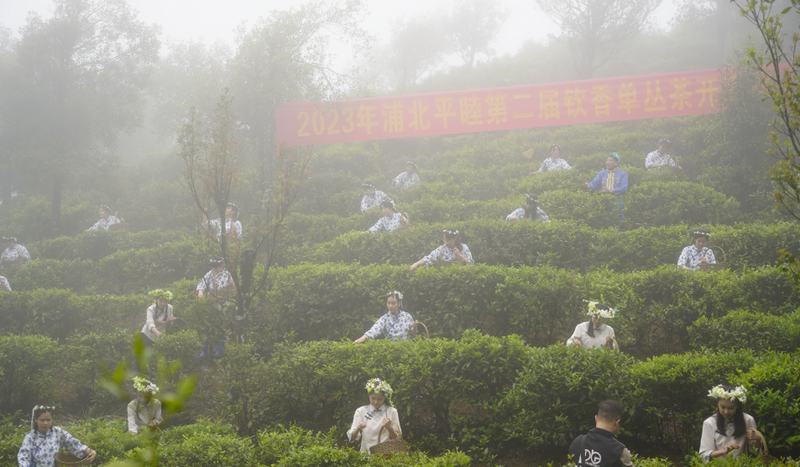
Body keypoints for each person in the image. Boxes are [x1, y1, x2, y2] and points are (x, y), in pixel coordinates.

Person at [18, 405, 96, 467]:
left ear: (52, 419)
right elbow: (23, 458)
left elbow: (73, 444)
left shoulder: (57, 432)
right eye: (42, 420)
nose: (45, 423)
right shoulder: (30, 438)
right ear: (36, 419)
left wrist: (91, 451)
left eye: (48, 420)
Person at [699, 385, 761, 461]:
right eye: (722, 407)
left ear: (737, 406)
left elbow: (755, 452)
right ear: (718, 404)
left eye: (731, 408)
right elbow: (704, 454)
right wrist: (724, 451)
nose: (726, 411)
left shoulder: (747, 420)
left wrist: (758, 439)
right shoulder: (709, 423)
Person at [568, 400, 632, 467]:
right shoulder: (619, 451)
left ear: (596, 418)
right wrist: (624, 457)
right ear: (617, 422)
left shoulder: (577, 442)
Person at [347, 378, 401, 455]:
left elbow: (398, 439)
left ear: (385, 398)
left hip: (386, 456)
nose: (376, 402)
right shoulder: (361, 411)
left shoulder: (392, 411)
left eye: (380, 399)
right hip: (366, 454)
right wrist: (358, 429)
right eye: (373, 398)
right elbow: (352, 438)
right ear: (368, 395)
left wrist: (389, 428)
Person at [196, 256, 236, 358]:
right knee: (208, 327)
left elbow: (232, 290)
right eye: (213, 267)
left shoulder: (227, 275)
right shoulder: (209, 274)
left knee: (222, 328)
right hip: (211, 305)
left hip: (223, 306)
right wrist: (200, 292)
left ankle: (219, 351)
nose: (214, 269)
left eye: (216, 267)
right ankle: (204, 351)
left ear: (221, 266)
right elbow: (201, 285)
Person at [353, 291, 419, 343]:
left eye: (393, 303)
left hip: (406, 351)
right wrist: (358, 341)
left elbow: (413, 335)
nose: (390, 306)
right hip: (390, 351)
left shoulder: (407, 316)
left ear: (399, 303)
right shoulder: (385, 318)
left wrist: (415, 327)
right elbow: (373, 331)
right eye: (388, 303)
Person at [585, 153, 628, 220]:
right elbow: (595, 183)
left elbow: (624, 188)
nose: (608, 162)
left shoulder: (623, 174)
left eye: (611, 160)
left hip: (618, 204)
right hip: (604, 203)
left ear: (616, 163)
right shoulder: (602, 173)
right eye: (607, 160)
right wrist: (589, 186)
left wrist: (611, 191)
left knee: (618, 224)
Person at [409, 228, 474, 270]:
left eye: (448, 240)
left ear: (455, 238)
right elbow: (429, 258)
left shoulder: (464, 247)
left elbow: (470, 264)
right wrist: (416, 264)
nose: (446, 242)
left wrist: (460, 255)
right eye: (444, 239)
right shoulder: (441, 249)